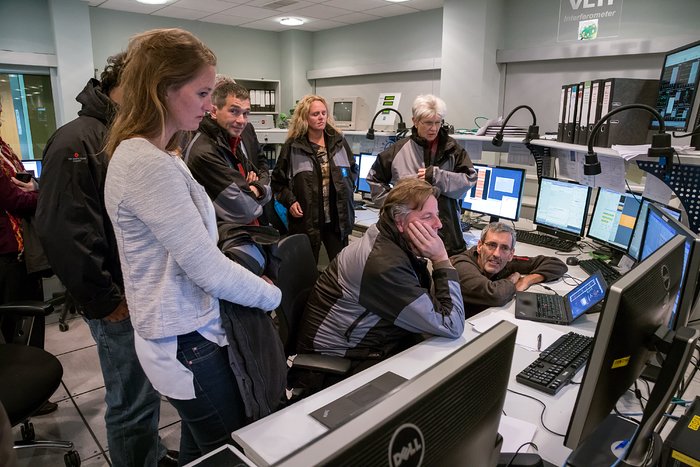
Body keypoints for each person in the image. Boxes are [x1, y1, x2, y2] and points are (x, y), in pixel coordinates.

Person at [103, 28, 281, 465]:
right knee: (234, 449)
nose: (210, 105)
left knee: (202, 450)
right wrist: (272, 295)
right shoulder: (146, 163)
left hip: (183, 331)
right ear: (162, 89)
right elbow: (207, 268)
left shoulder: (158, 154)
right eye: (203, 92)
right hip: (185, 341)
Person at [35, 54, 178, 466]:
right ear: (134, 85)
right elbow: (65, 232)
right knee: (131, 401)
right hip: (118, 300)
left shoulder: (127, 137)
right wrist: (106, 301)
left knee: (146, 390)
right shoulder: (77, 141)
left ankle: (148, 453)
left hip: (143, 293)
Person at [297, 178, 465, 369]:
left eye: (437, 215)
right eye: (427, 217)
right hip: (340, 354)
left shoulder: (386, 236)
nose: (439, 224)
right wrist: (441, 259)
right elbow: (452, 325)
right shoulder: (384, 265)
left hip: (367, 338)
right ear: (400, 221)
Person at [184, 78, 277, 274]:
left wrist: (256, 188)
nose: (241, 120)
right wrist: (255, 190)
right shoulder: (205, 151)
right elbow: (247, 208)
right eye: (234, 111)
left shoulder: (229, 140)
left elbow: (263, 175)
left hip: (248, 238)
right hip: (227, 248)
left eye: (246, 113)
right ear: (214, 110)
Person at [366, 94, 477, 256]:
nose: (434, 128)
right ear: (415, 121)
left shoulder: (453, 149)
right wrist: (394, 207)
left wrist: (437, 176)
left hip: (448, 234)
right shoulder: (397, 150)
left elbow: (469, 181)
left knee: (445, 278)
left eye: (438, 122)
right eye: (428, 123)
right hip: (408, 236)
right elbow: (374, 179)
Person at [271, 94, 356, 263]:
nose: (321, 117)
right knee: (305, 270)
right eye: (315, 114)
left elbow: (352, 170)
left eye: (324, 113)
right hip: (307, 221)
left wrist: (347, 190)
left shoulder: (339, 142)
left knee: (340, 267)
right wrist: (290, 201)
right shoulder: (293, 146)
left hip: (337, 220)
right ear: (305, 117)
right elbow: (278, 182)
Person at [450, 222, 568, 317]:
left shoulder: (504, 261)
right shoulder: (461, 265)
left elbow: (556, 264)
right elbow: (495, 295)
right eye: (491, 245)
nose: (497, 254)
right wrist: (512, 281)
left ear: (511, 254)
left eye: (504, 248)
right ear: (480, 246)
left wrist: (527, 280)